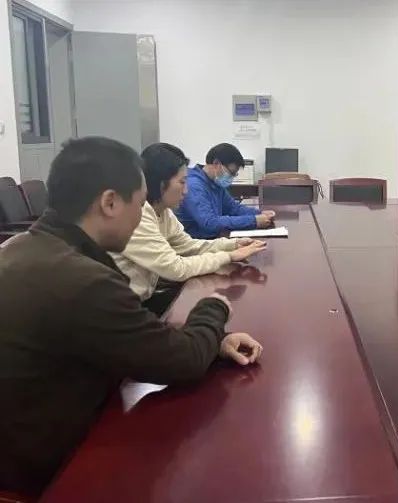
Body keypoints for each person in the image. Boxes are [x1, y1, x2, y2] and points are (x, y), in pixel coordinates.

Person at [0, 137, 263, 495]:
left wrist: (215, 341)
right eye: (139, 205)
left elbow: (134, 341)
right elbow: (182, 362)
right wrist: (213, 308)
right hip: (44, 467)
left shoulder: (25, 248)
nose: (142, 217)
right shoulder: (83, 280)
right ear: (110, 203)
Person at [112, 143, 267, 314]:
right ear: (161, 183)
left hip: (146, 297)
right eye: (182, 182)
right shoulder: (138, 216)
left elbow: (188, 245)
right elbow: (176, 269)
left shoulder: (164, 212)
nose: (186, 191)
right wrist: (228, 256)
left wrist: (232, 245)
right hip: (122, 310)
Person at [176, 143, 276, 238]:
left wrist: (260, 213)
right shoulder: (194, 185)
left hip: (211, 239)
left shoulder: (215, 183)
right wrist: (253, 221)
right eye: (231, 173)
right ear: (216, 163)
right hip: (195, 242)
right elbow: (209, 223)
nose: (231, 177)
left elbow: (234, 209)